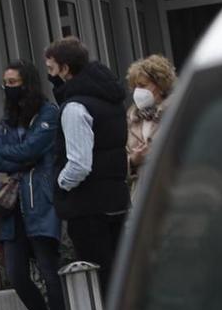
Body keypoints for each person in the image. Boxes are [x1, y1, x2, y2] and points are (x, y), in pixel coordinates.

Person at [0, 61, 71, 310]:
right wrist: (19, 160)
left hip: (40, 202)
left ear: (27, 83)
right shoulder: (8, 119)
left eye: (12, 82)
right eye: (5, 82)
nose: (8, 88)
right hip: (14, 209)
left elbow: (32, 150)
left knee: (50, 273)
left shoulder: (48, 114)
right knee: (17, 275)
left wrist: (18, 159)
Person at [44, 36, 131, 287]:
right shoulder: (110, 99)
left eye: (51, 69)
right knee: (118, 276)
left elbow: (80, 163)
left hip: (88, 206)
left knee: (100, 278)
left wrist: (60, 184)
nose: (50, 76)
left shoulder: (75, 107)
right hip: (115, 198)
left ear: (65, 69)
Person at [124, 54, 176, 192]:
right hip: (145, 197)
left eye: (142, 85)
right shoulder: (132, 119)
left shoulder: (175, 111)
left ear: (160, 85)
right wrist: (133, 161)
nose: (137, 91)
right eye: (135, 86)